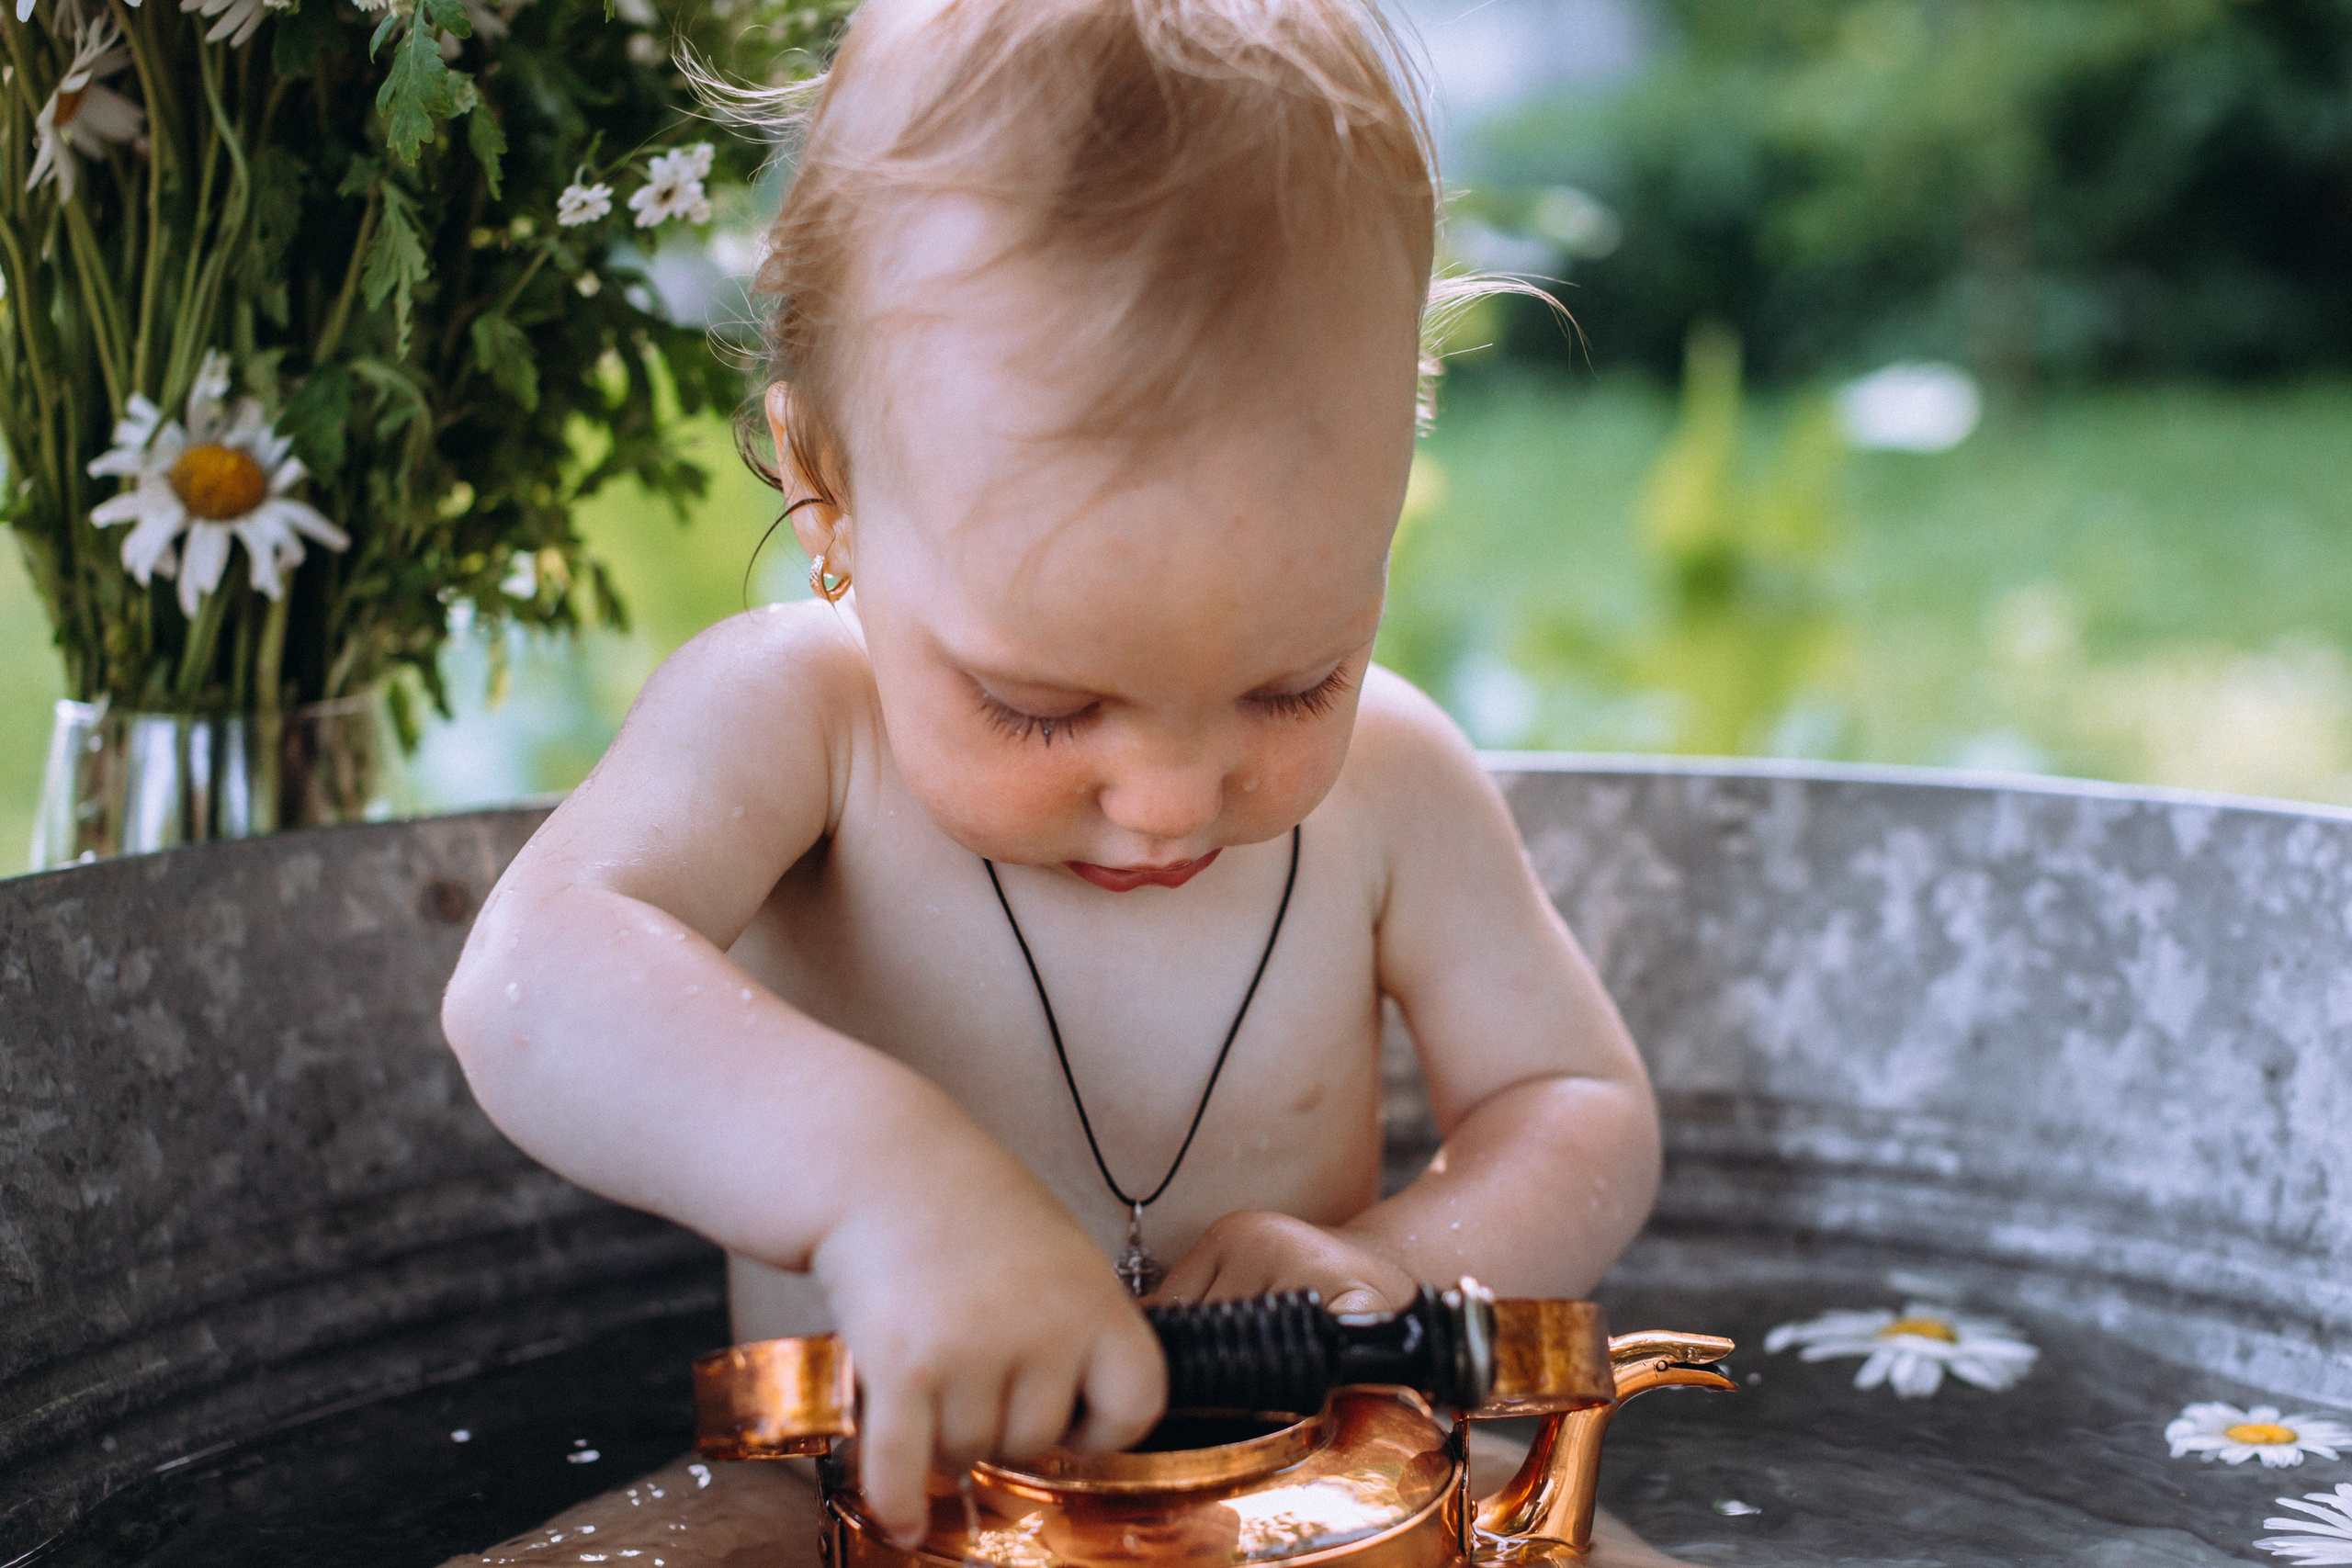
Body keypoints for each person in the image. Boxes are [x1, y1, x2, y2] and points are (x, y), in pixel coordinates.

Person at [439, 0, 1660, 1552]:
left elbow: (1574, 1104)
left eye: (1294, 681)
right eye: (1038, 704)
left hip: (1314, 1488)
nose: (1169, 795)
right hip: (842, 1490)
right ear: (830, 498)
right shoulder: (803, 724)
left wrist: (1394, 1266)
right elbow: (532, 980)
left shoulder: (1399, 785)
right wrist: (879, 1182)